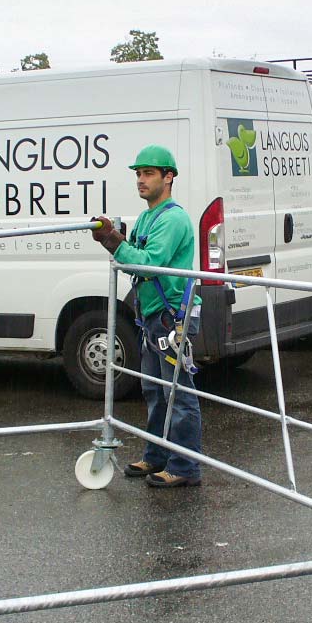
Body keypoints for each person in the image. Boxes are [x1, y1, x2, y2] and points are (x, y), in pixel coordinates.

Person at [89, 144, 203, 488]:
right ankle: (157, 457)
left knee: (178, 393)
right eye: (138, 173)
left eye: (149, 173)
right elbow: (135, 258)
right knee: (153, 390)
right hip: (153, 317)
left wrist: (112, 239)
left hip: (172, 318)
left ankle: (184, 466)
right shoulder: (149, 217)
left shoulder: (172, 218)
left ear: (169, 177)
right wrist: (117, 241)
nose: (141, 180)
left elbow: (147, 262)